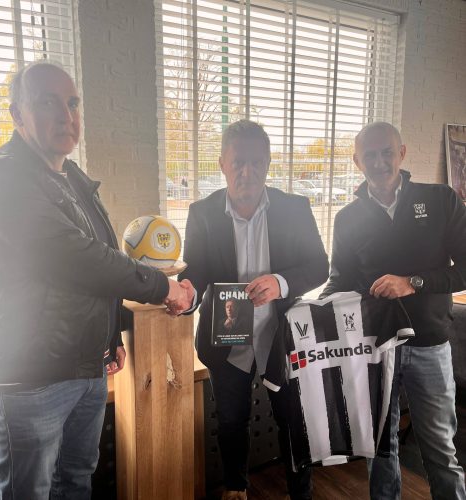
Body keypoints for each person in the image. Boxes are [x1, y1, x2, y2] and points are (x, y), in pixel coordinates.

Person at [0, 61, 194, 499]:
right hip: (30, 378)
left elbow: (98, 265)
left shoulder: (70, 177)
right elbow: (79, 259)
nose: (65, 116)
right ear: (17, 114)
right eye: (47, 103)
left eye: (72, 103)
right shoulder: (0, 179)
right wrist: (165, 287)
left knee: (76, 480)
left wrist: (110, 337)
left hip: (85, 366)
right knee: (29, 492)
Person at [179, 119, 329, 500]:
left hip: (280, 338)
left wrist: (280, 282)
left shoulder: (295, 208)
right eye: (238, 162)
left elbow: (319, 266)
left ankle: (301, 494)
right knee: (231, 421)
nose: (247, 171)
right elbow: (195, 272)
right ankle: (235, 488)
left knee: (293, 422)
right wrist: (186, 293)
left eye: (257, 162)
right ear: (222, 164)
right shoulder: (202, 212)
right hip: (226, 341)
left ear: (268, 163)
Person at [321, 121, 466, 500]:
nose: (379, 161)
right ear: (357, 161)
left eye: (387, 152)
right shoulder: (347, 218)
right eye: (369, 155)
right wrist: (310, 312)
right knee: (380, 450)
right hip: (374, 347)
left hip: (430, 346)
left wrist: (413, 282)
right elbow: (341, 281)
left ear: (402, 153)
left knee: (440, 449)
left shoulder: (440, 200)